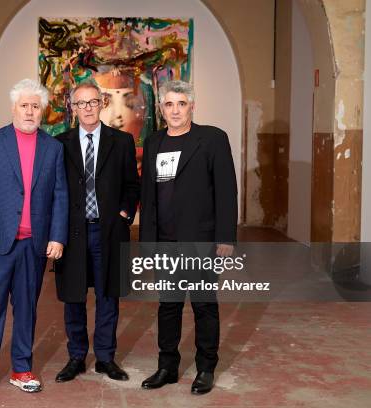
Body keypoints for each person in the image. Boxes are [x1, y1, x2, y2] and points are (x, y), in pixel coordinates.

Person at [0, 78, 68, 401]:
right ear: (13, 108)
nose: (30, 111)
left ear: (43, 112)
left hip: (33, 245)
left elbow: (60, 195)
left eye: (36, 106)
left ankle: (22, 368)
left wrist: (57, 236)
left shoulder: (53, 148)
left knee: (26, 309)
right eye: (24, 105)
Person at [139, 80, 238, 395]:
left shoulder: (211, 139)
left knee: (204, 306)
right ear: (162, 109)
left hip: (200, 240)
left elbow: (226, 191)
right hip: (165, 242)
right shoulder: (154, 142)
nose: (175, 110)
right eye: (169, 104)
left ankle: (206, 367)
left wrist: (225, 237)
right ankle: (167, 366)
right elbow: (149, 196)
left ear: (191, 106)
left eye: (181, 103)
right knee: (167, 306)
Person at [54, 82, 140, 383]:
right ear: (73, 108)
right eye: (81, 103)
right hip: (72, 233)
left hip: (108, 232)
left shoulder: (122, 141)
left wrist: (123, 216)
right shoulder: (60, 144)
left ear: (101, 103)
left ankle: (105, 358)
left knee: (108, 296)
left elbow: (132, 185)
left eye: (92, 102)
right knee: (73, 296)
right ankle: (76, 357)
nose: (88, 108)